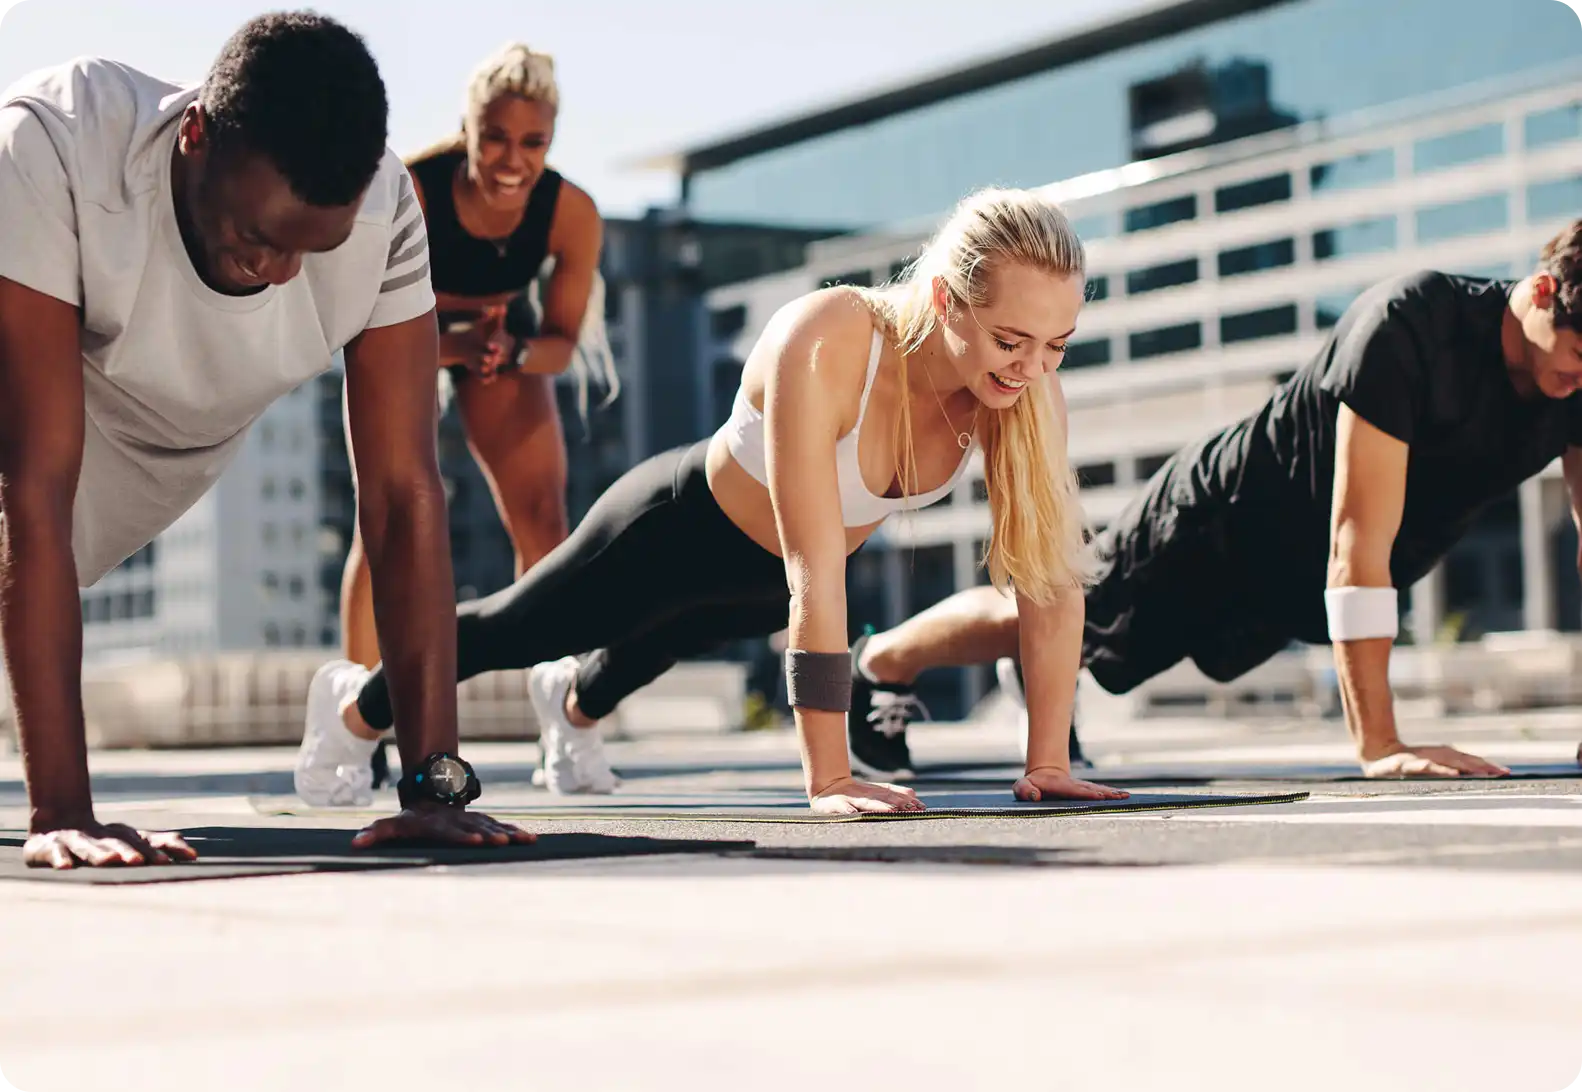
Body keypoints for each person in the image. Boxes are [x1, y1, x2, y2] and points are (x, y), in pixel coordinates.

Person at [296, 186, 1131, 811]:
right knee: (520, 628)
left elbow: (1051, 584)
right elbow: (817, 572)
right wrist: (830, 776)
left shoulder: (1023, 394)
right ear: (948, 299)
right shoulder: (831, 339)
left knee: (650, 653)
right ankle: (352, 709)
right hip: (675, 530)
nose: (1030, 367)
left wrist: (1047, 764)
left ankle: (571, 705)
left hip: (763, 589)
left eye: (1056, 345)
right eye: (1010, 339)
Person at [0, 12, 530, 870]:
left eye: (306, 248)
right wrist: (65, 807)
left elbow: (403, 495)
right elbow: (33, 485)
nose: (280, 272)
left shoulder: (384, 211)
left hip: (123, 476)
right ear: (197, 134)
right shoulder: (60, 144)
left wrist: (436, 786)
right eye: (257, 237)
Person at [843, 230, 1582, 780]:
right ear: (1544, 291)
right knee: (1069, 609)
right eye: (1579, 356)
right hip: (1222, 519)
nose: (1579, 381)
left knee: (1098, 656)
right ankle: (882, 663)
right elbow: (1358, 536)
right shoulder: (1412, 325)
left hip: (1300, 577)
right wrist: (1382, 747)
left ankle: (1046, 674)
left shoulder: (1573, 391)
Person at [338, 42, 612, 674]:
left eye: (533, 143)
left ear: (551, 140)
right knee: (385, 520)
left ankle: (559, 712)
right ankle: (355, 718)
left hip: (499, 336)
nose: (512, 161)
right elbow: (359, 319)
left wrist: (512, 350)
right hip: (398, 329)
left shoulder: (572, 213)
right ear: (466, 129)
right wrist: (453, 343)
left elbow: (561, 346)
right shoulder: (411, 189)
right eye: (493, 138)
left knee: (544, 518)